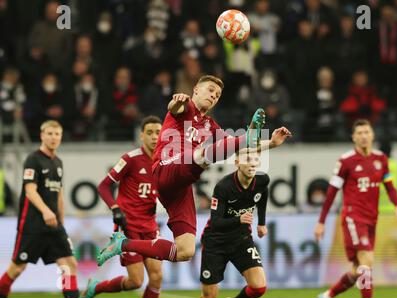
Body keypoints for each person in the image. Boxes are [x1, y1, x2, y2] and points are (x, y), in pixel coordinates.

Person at [97, 75, 291, 266]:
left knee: (185, 250)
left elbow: (235, 148)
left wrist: (272, 143)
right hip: (166, 167)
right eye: (210, 90)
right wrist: (176, 101)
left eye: (217, 95)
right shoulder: (186, 105)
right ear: (196, 89)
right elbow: (174, 108)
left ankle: (122, 244)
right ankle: (247, 135)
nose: (214, 96)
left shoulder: (210, 125)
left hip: (181, 185)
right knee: (201, 155)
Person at [314, 119, 397, 298]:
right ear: (353, 138)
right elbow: (331, 193)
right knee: (367, 260)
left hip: (372, 219)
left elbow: (389, 185)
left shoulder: (381, 159)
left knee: (359, 269)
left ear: (372, 135)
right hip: (353, 217)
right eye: (360, 133)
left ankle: (328, 295)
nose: (364, 136)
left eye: (367, 132)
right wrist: (321, 222)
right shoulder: (346, 161)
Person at [80, 116, 163, 298]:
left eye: (158, 132)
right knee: (136, 281)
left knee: (157, 277)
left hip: (150, 226)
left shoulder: (164, 162)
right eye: (149, 132)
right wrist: (115, 208)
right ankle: (97, 287)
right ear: (141, 135)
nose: (154, 137)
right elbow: (103, 186)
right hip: (129, 227)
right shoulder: (130, 159)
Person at [0, 120, 79, 298]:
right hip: (32, 225)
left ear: (60, 137)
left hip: (54, 227)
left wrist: (62, 224)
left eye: (57, 134)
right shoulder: (33, 159)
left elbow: (58, 195)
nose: (53, 138)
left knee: (69, 264)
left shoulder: (58, 163)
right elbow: (30, 190)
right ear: (42, 136)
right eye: (49, 134)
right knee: (18, 268)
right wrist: (45, 211)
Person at [200, 150, 269, 298]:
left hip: (241, 239)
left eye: (255, 159)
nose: (252, 162)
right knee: (209, 297)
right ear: (237, 162)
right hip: (216, 242)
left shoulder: (262, 179)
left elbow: (263, 193)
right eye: (247, 159)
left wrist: (262, 223)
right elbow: (216, 222)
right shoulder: (223, 187)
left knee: (259, 287)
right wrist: (239, 219)